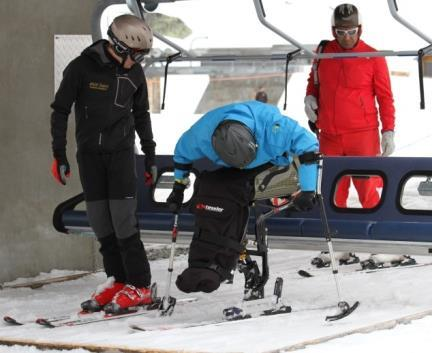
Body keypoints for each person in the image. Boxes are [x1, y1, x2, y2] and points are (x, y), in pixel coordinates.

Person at [50, 15, 157, 314]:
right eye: (135, 55)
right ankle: (119, 279)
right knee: (101, 223)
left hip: (121, 155)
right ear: (118, 47)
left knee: (123, 222)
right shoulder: (81, 68)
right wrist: (59, 154)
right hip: (89, 157)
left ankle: (141, 286)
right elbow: (60, 110)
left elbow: (142, 116)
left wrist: (149, 157)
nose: (138, 61)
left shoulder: (134, 75)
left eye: (143, 56)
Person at [166, 100, 319, 293]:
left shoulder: (274, 128)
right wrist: (178, 187)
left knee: (233, 190)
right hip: (229, 162)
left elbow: (309, 146)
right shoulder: (201, 134)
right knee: (208, 187)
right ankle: (203, 263)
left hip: (271, 159)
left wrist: (307, 189)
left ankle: (220, 263)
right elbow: (181, 155)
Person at [304, 3, 395, 209]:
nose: (346, 37)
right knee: (331, 192)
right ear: (333, 31)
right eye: (341, 32)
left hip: (362, 137)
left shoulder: (373, 57)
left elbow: (385, 97)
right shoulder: (323, 53)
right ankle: (335, 231)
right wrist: (309, 97)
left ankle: (375, 231)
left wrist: (388, 130)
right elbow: (314, 80)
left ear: (360, 29)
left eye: (352, 32)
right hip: (329, 136)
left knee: (367, 191)